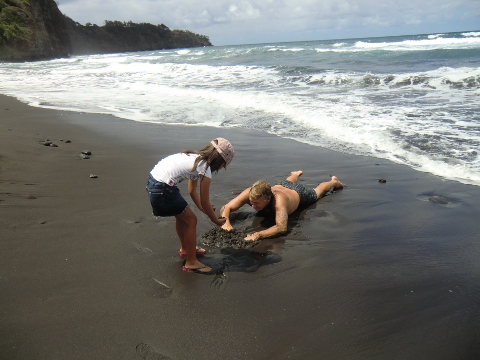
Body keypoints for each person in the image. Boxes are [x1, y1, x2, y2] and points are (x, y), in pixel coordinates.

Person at [146, 138, 234, 273]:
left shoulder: (195, 158)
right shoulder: (205, 168)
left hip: (153, 183)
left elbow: (192, 190)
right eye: (224, 165)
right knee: (191, 220)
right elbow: (205, 200)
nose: (222, 168)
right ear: (220, 160)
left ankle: (186, 249)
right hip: (163, 188)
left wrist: (201, 208)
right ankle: (191, 262)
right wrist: (216, 220)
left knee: (181, 216)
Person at [220, 171, 343, 241]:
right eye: (251, 202)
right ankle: (295, 174)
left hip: (298, 194)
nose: (252, 205)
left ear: (268, 199)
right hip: (283, 184)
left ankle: (333, 182)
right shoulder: (251, 193)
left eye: (256, 203)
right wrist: (226, 222)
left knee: (317, 193)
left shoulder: (279, 201)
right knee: (288, 181)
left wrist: (258, 234)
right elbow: (227, 207)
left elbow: (281, 227)